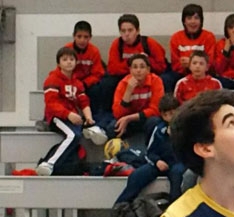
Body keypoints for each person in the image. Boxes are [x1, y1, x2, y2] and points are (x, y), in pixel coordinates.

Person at [36, 47, 108, 176]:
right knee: (73, 136)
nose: (69, 62)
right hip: (56, 117)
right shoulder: (52, 80)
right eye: (65, 59)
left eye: (71, 59)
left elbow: (84, 102)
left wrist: (89, 118)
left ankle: (89, 128)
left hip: (72, 117)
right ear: (59, 63)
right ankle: (49, 163)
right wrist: (68, 114)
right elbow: (52, 104)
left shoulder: (77, 83)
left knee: (85, 127)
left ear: (76, 62)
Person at [113, 94, 186, 207]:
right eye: (165, 114)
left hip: (178, 164)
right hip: (159, 163)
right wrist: (157, 161)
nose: (169, 117)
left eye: (172, 113)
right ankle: (121, 206)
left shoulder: (185, 129)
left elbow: (190, 151)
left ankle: (174, 209)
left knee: (178, 175)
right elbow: (150, 152)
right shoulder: (157, 129)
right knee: (137, 175)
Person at [102, 14, 168, 117]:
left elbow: (162, 66)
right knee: (107, 83)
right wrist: (132, 65)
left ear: (137, 31)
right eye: (123, 31)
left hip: (149, 75)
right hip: (126, 76)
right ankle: (107, 114)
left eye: (130, 30)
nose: (126, 34)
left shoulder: (149, 43)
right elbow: (112, 68)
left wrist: (146, 62)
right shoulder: (117, 44)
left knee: (166, 79)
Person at [110, 53, 165, 139]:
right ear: (130, 70)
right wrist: (128, 91)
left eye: (142, 67)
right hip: (129, 120)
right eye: (135, 67)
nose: (138, 70)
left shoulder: (156, 81)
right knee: (112, 128)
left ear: (148, 70)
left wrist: (129, 118)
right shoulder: (123, 84)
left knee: (155, 122)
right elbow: (117, 113)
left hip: (146, 118)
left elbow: (156, 110)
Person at [165, 3, 217, 92]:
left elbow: (210, 62)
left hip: (204, 73)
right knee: (166, 79)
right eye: (189, 18)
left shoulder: (209, 37)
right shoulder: (176, 38)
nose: (193, 21)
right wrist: (190, 66)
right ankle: (171, 105)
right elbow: (175, 65)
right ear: (184, 21)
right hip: (182, 73)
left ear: (201, 21)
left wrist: (191, 62)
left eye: (196, 18)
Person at [65, 21, 105, 116]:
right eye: (79, 36)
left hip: (87, 84)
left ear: (90, 37)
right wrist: (74, 82)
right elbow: (62, 70)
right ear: (74, 36)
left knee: (96, 90)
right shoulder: (67, 49)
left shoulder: (94, 51)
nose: (82, 40)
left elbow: (98, 73)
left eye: (86, 37)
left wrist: (85, 83)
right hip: (71, 82)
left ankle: (93, 118)